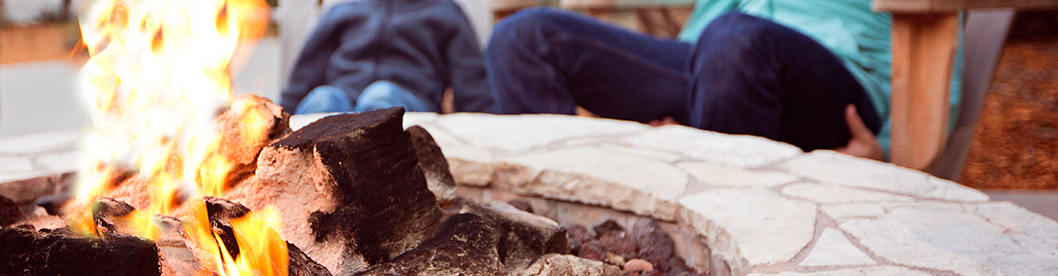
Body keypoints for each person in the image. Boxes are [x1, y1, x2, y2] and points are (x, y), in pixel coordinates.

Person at [485, 0, 961, 160]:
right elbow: (706, 30)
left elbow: (942, 52)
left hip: (835, 89)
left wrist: (892, 153)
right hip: (716, 62)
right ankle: (565, 233)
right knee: (522, 37)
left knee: (736, 43)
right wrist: (695, 83)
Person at [279, 0, 498, 114]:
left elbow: (473, 88)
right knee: (323, 99)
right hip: (343, 100)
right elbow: (302, 80)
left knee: (380, 96)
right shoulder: (343, 11)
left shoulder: (444, 12)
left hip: (410, 100)